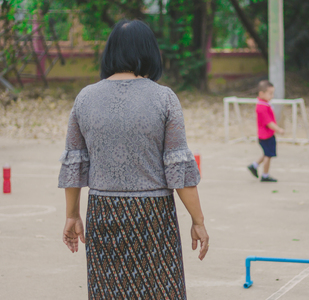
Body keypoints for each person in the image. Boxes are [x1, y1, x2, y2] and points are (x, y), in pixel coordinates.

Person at [58, 20, 209, 299]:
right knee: (159, 291)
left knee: (108, 290)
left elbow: (75, 163)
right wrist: (198, 220)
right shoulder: (164, 98)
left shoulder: (85, 98)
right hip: (153, 215)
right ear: (150, 52)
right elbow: (177, 167)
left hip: (103, 211)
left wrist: (72, 214)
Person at [247, 80, 284, 182]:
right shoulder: (262, 107)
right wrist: (279, 129)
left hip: (266, 135)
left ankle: (254, 165)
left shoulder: (264, 104)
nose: (272, 96)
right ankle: (265, 175)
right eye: (270, 94)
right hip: (266, 136)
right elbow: (269, 122)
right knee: (268, 155)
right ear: (261, 94)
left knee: (267, 153)